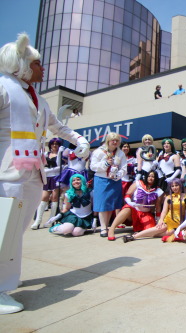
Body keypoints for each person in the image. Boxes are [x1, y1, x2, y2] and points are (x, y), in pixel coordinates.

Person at [0, 33, 90, 314]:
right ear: (22, 66)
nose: (42, 68)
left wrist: (79, 140)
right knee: (3, 232)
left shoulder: (38, 98)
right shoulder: (3, 88)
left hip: (31, 174)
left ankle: (5, 282)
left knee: (16, 232)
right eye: (37, 63)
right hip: (6, 173)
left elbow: (57, 127)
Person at [121, 178, 186, 243]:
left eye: (176, 185)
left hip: (181, 222)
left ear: (180, 185)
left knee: (169, 232)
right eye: (172, 186)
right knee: (160, 228)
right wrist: (161, 220)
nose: (174, 188)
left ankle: (139, 234)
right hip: (169, 220)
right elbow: (164, 211)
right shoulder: (168, 197)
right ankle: (134, 237)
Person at [107, 170, 163, 241]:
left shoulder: (158, 190)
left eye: (153, 177)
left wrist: (158, 221)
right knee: (127, 208)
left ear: (156, 178)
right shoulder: (138, 183)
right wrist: (131, 203)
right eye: (149, 176)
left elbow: (158, 207)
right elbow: (127, 195)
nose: (150, 178)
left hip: (146, 214)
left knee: (150, 230)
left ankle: (138, 232)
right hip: (134, 210)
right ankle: (111, 229)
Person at [90, 132, 127, 237]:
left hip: (114, 181)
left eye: (117, 141)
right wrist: (106, 164)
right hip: (101, 180)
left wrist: (117, 175)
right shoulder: (99, 152)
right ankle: (103, 227)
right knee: (102, 204)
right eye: (112, 140)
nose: (114, 142)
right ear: (108, 141)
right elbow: (93, 166)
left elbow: (124, 168)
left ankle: (107, 226)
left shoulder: (120, 154)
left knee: (111, 204)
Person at [31, 137, 65, 229]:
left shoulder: (61, 154)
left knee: (54, 198)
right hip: (47, 178)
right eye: (53, 144)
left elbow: (60, 166)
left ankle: (51, 220)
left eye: (56, 144)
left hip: (56, 178)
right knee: (44, 198)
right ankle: (37, 221)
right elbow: (42, 165)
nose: (54, 145)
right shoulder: (46, 154)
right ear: (50, 145)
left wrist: (59, 154)